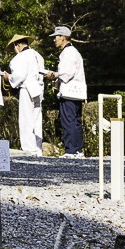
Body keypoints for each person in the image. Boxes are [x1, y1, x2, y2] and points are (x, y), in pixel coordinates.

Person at [45, 26, 87, 157]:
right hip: (78, 92)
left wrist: (54, 74)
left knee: (68, 121)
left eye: (56, 37)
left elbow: (67, 73)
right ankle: (78, 149)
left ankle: (71, 150)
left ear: (63, 38)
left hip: (69, 92)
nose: (54, 40)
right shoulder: (74, 52)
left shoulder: (67, 53)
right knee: (75, 121)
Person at [3, 34, 45, 155]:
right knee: (37, 119)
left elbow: (19, 76)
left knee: (26, 119)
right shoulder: (38, 55)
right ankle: (38, 148)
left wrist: (8, 77)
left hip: (26, 88)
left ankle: (29, 149)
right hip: (38, 88)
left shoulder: (20, 57)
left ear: (18, 45)